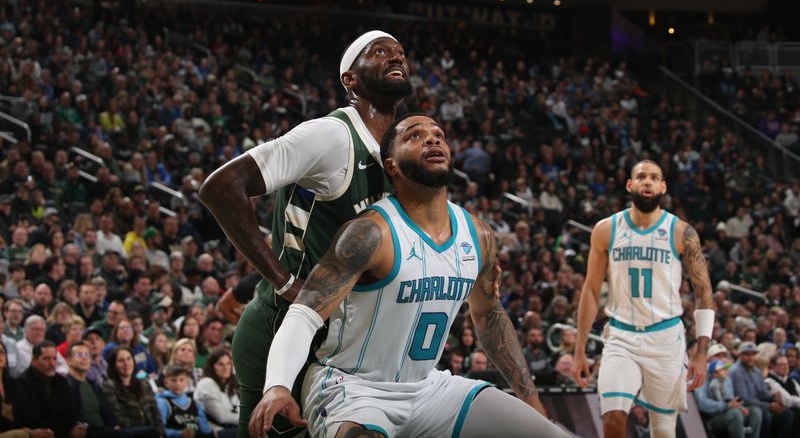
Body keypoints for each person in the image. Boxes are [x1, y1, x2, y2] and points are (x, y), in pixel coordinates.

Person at [251, 115, 566, 438]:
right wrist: (277, 386)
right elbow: (304, 314)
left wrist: (533, 403)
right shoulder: (370, 232)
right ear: (392, 166)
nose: (432, 140)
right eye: (415, 136)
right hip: (353, 387)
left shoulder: (479, 234)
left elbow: (489, 317)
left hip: (429, 387)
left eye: (438, 135)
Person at [199, 30, 411, 437]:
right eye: (380, 51)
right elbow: (221, 188)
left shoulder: (397, 151)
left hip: (341, 343)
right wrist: (282, 281)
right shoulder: (329, 135)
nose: (395, 56)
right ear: (349, 79)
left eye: (400, 52)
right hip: (284, 331)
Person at [572, 160, 715, 438]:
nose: (647, 181)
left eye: (653, 177)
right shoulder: (606, 229)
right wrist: (579, 350)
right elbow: (590, 290)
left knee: (663, 431)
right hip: (621, 336)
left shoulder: (681, 232)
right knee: (613, 419)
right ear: (630, 185)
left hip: (665, 338)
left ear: (663, 186)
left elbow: (704, 292)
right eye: (641, 177)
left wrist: (701, 352)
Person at [65, 341, 159, 438]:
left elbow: (107, 412)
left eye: (87, 354)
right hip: (91, 432)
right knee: (151, 432)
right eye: (79, 355)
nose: (84, 357)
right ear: (68, 360)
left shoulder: (93, 385)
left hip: (106, 431)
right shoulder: (66, 386)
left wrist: (113, 425)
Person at [14, 341, 86, 438]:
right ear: (34, 360)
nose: (52, 363)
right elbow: (29, 417)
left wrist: (73, 427)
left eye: (54, 358)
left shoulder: (62, 381)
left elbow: (71, 411)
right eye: (46, 359)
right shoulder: (22, 383)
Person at [102, 347, 164, 437]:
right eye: (121, 361)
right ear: (114, 365)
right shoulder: (109, 387)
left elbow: (155, 411)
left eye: (129, 359)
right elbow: (116, 415)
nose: (126, 363)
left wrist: (161, 433)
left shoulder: (144, 383)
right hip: (129, 431)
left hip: (151, 430)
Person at [695, 359, 761, 438]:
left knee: (755, 412)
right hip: (713, 417)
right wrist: (725, 406)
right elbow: (702, 403)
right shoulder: (703, 381)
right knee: (735, 414)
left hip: (728, 411)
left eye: (725, 368)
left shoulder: (727, 379)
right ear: (715, 374)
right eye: (722, 369)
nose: (726, 371)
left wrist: (740, 407)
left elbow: (730, 399)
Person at [156, 364, 213, 438]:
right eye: (173, 380)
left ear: (187, 382)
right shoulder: (163, 402)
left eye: (181, 380)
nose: (177, 384)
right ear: (166, 383)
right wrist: (179, 434)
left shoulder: (194, 403)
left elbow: (205, 428)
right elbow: (160, 429)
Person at [193, 348, 239, 437]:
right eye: (220, 364)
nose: (225, 367)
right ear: (212, 366)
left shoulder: (229, 384)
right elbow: (222, 417)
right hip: (212, 431)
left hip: (231, 427)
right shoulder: (206, 384)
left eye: (228, 364)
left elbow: (238, 407)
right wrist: (245, 420)